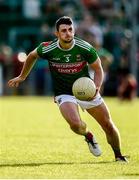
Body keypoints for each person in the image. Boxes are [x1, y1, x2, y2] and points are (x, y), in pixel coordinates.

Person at [8, 16, 127, 162]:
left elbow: (98, 68)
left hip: (87, 90)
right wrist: (22, 76)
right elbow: (32, 56)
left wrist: (96, 87)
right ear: (56, 33)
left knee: (107, 124)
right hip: (64, 92)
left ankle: (119, 156)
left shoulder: (84, 47)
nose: (68, 33)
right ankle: (88, 135)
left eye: (70, 30)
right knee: (76, 125)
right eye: (63, 30)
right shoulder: (49, 48)